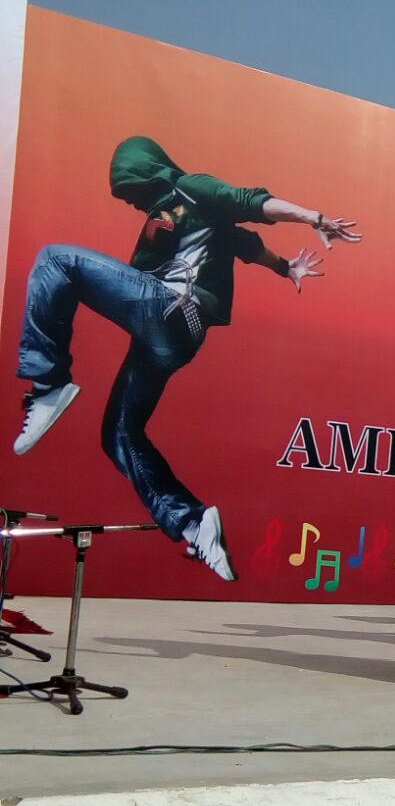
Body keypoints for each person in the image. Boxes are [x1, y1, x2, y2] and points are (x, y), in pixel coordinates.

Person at [12, 135, 360, 581]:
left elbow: (251, 202)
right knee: (119, 433)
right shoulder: (183, 217)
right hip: (170, 340)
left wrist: (315, 218)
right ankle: (194, 523)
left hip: (172, 308)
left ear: (149, 171)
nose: (133, 202)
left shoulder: (192, 188)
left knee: (56, 260)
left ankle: (47, 383)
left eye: (134, 190)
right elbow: (247, 245)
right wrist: (285, 268)